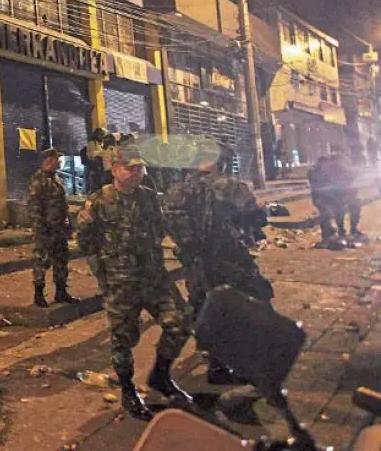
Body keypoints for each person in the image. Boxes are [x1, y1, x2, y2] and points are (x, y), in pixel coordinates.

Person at [77, 146, 192, 421]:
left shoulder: (149, 197)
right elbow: (85, 241)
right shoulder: (99, 201)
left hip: (154, 278)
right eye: (131, 168)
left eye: (140, 167)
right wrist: (103, 273)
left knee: (180, 322)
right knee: (123, 339)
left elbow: (162, 228)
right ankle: (128, 391)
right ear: (115, 170)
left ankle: (160, 376)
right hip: (121, 282)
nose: (137, 172)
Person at [163, 140, 273, 384]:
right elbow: (257, 218)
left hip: (194, 262)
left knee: (203, 306)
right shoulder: (230, 186)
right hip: (228, 259)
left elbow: (170, 227)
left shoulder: (175, 191)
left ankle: (216, 363)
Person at [26, 148, 78, 308]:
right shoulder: (38, 180)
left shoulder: (56, 179)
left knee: (61, 260)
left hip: (59, 228)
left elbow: (63, 205)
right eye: (57, 159)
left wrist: (69, 225)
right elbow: (34, 207)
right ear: (49, 160)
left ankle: (61, 292)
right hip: (45, 230)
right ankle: (39, 294)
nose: (60, 162)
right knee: (41, 261)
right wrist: (40, 229)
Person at [308, 155, 344, 249]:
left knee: (329, 214)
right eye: (325, 164)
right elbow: (316, 186)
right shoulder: (314, 173)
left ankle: (330, 234)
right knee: (325, 215)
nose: (326, 166)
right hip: (319, 197)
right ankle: (327, 235)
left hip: (328, 196)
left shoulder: (326, 172)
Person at [82, 128, 109, 194]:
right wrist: (101, 153)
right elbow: (91, 154)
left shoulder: (101, 142)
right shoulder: (92, 142)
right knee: (95, 184)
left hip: (101, 166)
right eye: (101, 134)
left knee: (100, 183)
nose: (102, 136)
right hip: (94, 167)